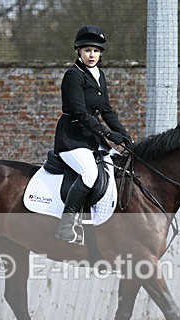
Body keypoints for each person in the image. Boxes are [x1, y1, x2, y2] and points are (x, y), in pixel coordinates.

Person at [53, 25, 133, 244]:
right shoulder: (73, 76)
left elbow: (106, 110)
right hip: (72, 139)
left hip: (91, 139)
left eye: (96, 51)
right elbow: (80, 113)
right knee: (89, 174)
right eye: (87, 50)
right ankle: (66, 225)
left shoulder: (99, 75)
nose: (92, 55)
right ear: (78, 51)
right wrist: (108, 134)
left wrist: (124, 136)